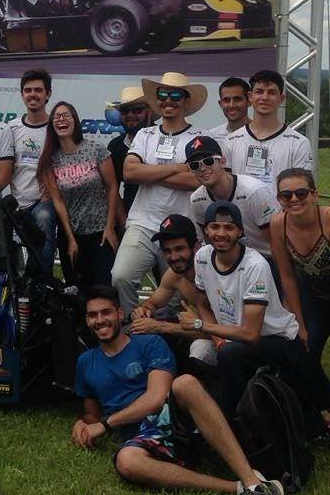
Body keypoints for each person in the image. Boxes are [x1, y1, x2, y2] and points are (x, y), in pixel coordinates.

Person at [73, 285, 286, 495]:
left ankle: (249, 481)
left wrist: (106, 424)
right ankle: (247, 489)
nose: (100, 320)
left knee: (185, 384)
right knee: (127, 461)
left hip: (172, 419)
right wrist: (82, 423)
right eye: (92, 315)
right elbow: (92, 414)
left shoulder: (149, 343)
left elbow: (156, 397)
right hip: (144, 439)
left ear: (120, 314)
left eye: (106, 312)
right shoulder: (85, 362)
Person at [180, 200, 330, 433]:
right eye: (214, 227)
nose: (221, 234)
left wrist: (200, 325)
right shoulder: (201, 257)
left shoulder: (255, 265)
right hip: (234, 339)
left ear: (240, 231)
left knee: (232, 355)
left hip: (278, 339)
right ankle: (226, 421)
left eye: (229, 228)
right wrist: (217, 338)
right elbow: (203, 303)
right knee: (213, 356)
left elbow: (251, 334)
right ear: (206, 230)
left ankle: (229, 426)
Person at [111, 72, 204, 316]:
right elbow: (130, 172)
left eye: (175, 95)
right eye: (163, 95)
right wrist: (176, 168)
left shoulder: (199, 139)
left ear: (186, 100)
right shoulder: (145, 135)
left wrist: (149, 171)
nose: (168, 101)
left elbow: (196, 179)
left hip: (182, 227)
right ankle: (134, 330)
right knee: (120, 277)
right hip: (143, 222)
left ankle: (163, 335)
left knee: (175, 295)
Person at [38, 101, 119, 291]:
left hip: (100, 233)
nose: (61, 120)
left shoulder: (95, 149)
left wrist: (110, 228)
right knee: (77, 291)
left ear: (75, 120)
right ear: (52, 125)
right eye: (57, 117)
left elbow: (112, 186)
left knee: (103, 289)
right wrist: (70, 238)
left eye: (66, 115)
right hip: (73, 236)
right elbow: (57, 200)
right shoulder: (50, 159)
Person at [270, 168, 330, 381]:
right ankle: (323, 405)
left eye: (301, 193)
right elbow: (287, 275)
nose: (294, 199)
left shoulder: (328, 219)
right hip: (314, 296)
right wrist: (299, 322)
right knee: (303, 350)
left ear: (315, 194)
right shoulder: (278, 224)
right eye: (286, 195)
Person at [129, 215, 205, 363]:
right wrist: (142, 312)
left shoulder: (209, 271)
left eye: (179, 249)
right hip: (200, 327)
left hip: (227, 339)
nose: (173, 257)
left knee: (200, 348)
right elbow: (152, 304)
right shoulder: (174, 275)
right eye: (167, 251)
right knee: (141, 329)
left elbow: (212, 331)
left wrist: (160, 326)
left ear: (195, 246)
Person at [223, 70, 312, 197]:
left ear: (281, 98)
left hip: (281, 215)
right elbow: (226, 188)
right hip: (241, 215)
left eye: (271, 92)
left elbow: (302, 191)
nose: (264, 97)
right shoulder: (231, 141)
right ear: (250, 96)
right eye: (259, 92)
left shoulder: (299, 142)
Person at [187, 136, 275, 259]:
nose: (202, 168)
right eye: (195, 165)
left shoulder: (253, 192)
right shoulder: (197, 199)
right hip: (232, 261)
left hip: (268, 257)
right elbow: (210, 241)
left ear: (222, 162)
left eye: (208, 161)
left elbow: (277, 242)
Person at [6, 68, 56, 277]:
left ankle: (41, 283)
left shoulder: (56, 127)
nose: (33, 95)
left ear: (48, 94)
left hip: (44, 202)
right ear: (22, 94)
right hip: (16, 200)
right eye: (28, 90)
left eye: (38, 90)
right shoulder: (11, 128)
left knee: (44, 221)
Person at [105, 86, 152, 222]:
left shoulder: (163, 140)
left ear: (149, 112)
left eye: (137, 110)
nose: (130, 115)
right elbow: (111, 188)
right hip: (131, 217)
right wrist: (123, 221)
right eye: (125, 111)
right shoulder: (115, 145)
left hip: (163, 215)